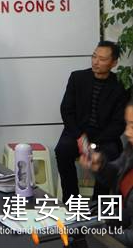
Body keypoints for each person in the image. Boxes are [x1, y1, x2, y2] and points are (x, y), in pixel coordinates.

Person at [56, 40, 128, 203]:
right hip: (77, 132)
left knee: (109, 155)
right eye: (94, 56)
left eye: (102, 59)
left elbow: (119, 123)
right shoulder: (77, 78)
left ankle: (98, 203)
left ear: (114, 63)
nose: (96, 62)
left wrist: (94, 144)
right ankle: (71, 199)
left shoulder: (120, 86)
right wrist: (80, 137)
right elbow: (66, 110)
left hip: (105, 136)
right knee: (62, 151)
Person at [80, 100, 133, 247]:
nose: (127, 132)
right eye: (127, 124)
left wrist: (103, 233)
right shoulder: (130, 150)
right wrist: (100, 166)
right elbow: (117, 175)